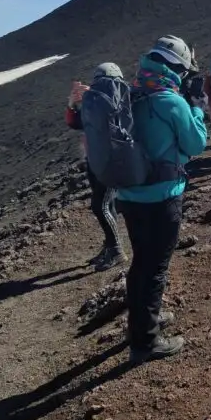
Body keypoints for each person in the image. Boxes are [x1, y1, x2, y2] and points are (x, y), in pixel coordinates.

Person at [116, 35, 207, 364]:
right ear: (177, 68)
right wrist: (196, 107)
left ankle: (141, 323)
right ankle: (146, 342)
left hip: (128, 196)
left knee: (141, 263)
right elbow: (195, 145)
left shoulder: (131, 90)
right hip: (161, 198)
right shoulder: (171, 100)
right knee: (154, 269)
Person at [65, 63, 128, 271]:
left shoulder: (120, 100)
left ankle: (117, 250)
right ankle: (110, 246)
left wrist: (94, 95)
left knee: (100, 205)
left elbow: (114, 116)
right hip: (96, 159)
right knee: (104, 205)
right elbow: (76, 123)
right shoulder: (95, 102)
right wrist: (73, 104)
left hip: (111, 162)